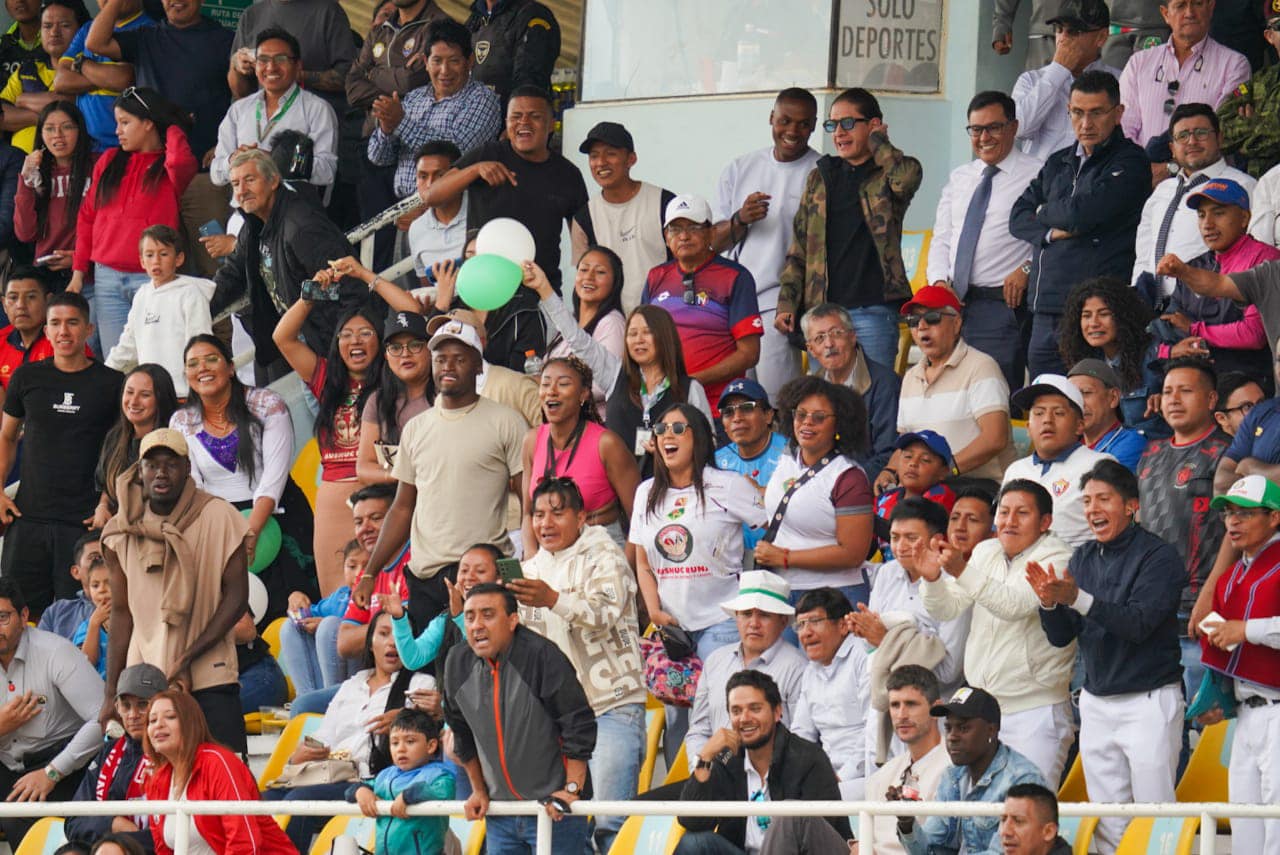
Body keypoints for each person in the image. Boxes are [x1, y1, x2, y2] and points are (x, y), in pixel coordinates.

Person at [1030, 459, 1186, 854]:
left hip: (1149, 700)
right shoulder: (1082, 558)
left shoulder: (1160, 557)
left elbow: (1138, 624)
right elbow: (1062, 636)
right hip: (1097, 701)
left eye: (1104, 499)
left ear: (1132, 506)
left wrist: (1076, 598)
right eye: (1086, 501)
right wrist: (1049, 604)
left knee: (1155, 815)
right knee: (1109, 819)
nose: (1093, 509)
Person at [355, 317, 525, 631]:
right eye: (440, 359)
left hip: (482, 574)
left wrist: (524, 568)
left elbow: (528, 499)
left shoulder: (506, 421)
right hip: (425, 577)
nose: (448, 366)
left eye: (459, 359)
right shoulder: (416, 428)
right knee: (432, 674)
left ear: (477, 366)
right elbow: (403, 507)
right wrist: (370, 572)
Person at [513, 477, 645, 853]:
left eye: (557, 512)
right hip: (558, 717)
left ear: (582, 516)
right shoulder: (529, 569)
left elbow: (603, 613)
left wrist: (552, 598)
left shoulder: (607, 555)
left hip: (612, 705)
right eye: (538, 514)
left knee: (610, 821)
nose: (545, 523)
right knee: (559, 821)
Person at [100, 427, 251, 752]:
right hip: (144, 685)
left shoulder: (220, 514)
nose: (161, 472)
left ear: (187, 468)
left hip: (210, 675)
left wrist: (188, 655)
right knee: (154, 791)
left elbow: (238, 598)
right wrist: (110, 692)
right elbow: (122, 612)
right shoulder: (120, 529)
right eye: (152, 465)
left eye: (171, 463)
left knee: (228, 783)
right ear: (139, 471)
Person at [919, 480, 1076, 783]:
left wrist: (961, 571)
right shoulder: (986, 551)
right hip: (983, 709)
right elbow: (947, 609)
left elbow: (1013, 604)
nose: (1009, 521)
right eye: (1003, 512)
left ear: (1045, 522)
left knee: (1030, 809)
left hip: (1036, 710)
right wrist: (933, 580)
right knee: (982, 815)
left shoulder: (1058, 557)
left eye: (1022, 513)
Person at [423, 85, 588, 364]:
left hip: (539, 296)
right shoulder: (489, 153)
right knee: (470, 373)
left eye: (534, 116)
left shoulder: (567, 174)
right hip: (482, 293)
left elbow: (583, 243)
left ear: (551, 125)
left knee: (530, 377)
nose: (523, 123)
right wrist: (474, 170)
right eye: (515, 116)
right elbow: (432, 195)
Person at [1009, 70, 1150, 378]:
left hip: (1095, 311)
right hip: (1045, 306)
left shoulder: (1131, 161)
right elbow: (1018, 216)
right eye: (1078, 113)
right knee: (1046, 402)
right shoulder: (1058, 161)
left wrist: (1044, 210)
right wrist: (1049, 232)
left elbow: (1081, 214)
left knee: (1091, 403)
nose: (1086, 124)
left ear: (1118, 113)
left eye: (1097, 113)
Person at [265, 609, 437, 851]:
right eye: (383, 634)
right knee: (263, 801)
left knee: (298, 802)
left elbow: (425, 735)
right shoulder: (351, 684)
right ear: (370, 644)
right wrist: (300, 756)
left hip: (371, 781)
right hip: (334, 774)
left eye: (400, 635)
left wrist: (404, 718)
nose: (392, 642)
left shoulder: (420, 684)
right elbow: (323, 738)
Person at [776, 87, 922, 371]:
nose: (839, 132)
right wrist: (787, 301)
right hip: (824, 315)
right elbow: (800, 247)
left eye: (848, 123)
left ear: (873, 124)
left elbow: (905, 180)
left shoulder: (890, 173)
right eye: (832, 124)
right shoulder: (821, 178)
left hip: (874, 310)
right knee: (827, 406)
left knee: (872, 401)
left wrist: (880, 142)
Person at [444, 583, 595, 853]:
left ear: (513, 620)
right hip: (500, 814)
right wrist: (479, 790)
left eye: (488, 615)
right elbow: (461, 732)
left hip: (554, 811)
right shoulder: (457, 662)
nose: (477, 625)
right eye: (469, 617)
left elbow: (577, 722)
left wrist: (571, 790)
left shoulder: (541, 655)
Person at [524, 262, 714, 474]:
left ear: (665, 337)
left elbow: (708, 442)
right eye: (632, 334)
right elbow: (577, 339)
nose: (638, 340)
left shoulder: (689, 388)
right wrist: (544, 289)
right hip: (617, 493)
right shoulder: (615, 375)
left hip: (672, 493)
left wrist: (671, 446)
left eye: (647, 332)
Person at [170, 334, 312, 613]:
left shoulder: (267, 404)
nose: (203, 368)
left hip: (277, 516)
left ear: (231, 366)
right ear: (186, 374)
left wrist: (251, 532)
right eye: (193, 364)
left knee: (298, 608)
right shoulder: (181, 421)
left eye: (212, 359)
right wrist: (225, 536)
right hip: (222, 526)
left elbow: (274, 477)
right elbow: (193, 485)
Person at [0, 292, 123, 614]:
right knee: (18, 614)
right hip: (29, 518)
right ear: (46, 330)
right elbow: (7, 436)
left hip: (83, 523)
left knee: (81, 615)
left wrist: (105, 502)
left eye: (72, 323)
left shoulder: (112, 383)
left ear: (89, 329)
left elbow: (120, 451)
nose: (63, 331)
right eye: (55, 323)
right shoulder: (27, 377)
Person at [209, 148, 367, 373]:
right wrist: (199, 309)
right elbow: (233, 272)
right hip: (300, 343)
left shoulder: (302, 226)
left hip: (329, 347)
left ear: (273, 181)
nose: (241, 191)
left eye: (250, 180)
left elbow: (347, 287)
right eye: (235, 184)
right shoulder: (253, 224)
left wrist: (346, 349)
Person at [67, 87, 196, 357]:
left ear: (148, 123)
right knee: (118, 360)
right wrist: (78, 273)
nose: (117, 131)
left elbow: (182, 161)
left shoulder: (169, 168)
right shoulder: (109, 160)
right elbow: (87, 218)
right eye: (117, 123)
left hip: (152, 276)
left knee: (156, 357)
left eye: (125, 122)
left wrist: (170, 125)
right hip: (106, 278)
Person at [633, 402, 767, 659]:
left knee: (719, 698)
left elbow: (776, 525)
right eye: (661, 429)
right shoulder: (645, 493)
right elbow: (642, 563)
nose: (667, 435)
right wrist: (653, 611)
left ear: (700, 437)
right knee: (676, 700)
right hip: (672, 626)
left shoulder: (728, 485)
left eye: (679, 428)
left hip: (723, 619)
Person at [712, 88, 821, 397]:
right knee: (737, 400)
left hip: (783, 304)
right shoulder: (740, 167)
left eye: (803, 124)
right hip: (736, 302)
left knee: (777, 399)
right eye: (785, 120)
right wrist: (740, 219)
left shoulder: (822, 171)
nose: (792, 131)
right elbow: (713, 243)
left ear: (813, 126)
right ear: (771, 118)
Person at [273, 301, 387, 594]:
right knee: (336, 592)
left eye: (365, 333)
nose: (355, 341)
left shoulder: (393, 381)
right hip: (334, 498)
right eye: (346, 335)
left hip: (380, 494)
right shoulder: (327, 380)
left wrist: (366, 277)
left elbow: (412, 317)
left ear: (380, 339)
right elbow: (282, 337)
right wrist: (308, 298)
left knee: (382, 589)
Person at [929, 90, 1039, 392]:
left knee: (993, 395)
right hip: (954, 306)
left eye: (994, 127)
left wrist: (1028, 269)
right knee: (951, 394)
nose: (984, 137)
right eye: (976, 129)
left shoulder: (1038, 174)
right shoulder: (961, 177)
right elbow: (942, 238)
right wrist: (939, 282)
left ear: (1013, 128)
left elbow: (1048, 238)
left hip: (1001, 307)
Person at [675, 669, 850, 855]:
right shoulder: (728, 760)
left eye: (755, 708)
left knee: (790, 814)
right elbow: (691, 820)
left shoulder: (808, 758)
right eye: (736, 711)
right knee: (694, 842)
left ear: (777, 712)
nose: (744, 718)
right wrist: (705, 756)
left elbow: (819, 836)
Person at [1139, 356, 1231, 703]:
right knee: (1160, 722)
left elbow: (1235, 535)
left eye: (1186, 391)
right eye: (1167, 392)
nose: (1174, 400)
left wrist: (1209, 594)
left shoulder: (1226, 454)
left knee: (1206, 716)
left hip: (1206, 607)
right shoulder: (1151, 452)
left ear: (1210, 400)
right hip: (1155, 611)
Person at [1198, 474, 1280, 855]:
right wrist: (1216, 699)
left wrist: (1245, 629)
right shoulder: (1230, 575)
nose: (1233, 521)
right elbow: (1226, 644)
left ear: (1274, 517)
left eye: (1245, 513)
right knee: (1245, 832)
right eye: (1229, 513)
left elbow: (1241, 632)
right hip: (1246, 714)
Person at [857, 498, 971, 767]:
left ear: (937, 539)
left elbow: (950, 670)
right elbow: (870, 648)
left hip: (932, 717)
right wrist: (869, 635)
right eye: (895, 537)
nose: (900, 546)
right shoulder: (886, 574)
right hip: (885, 706)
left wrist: (886, 641)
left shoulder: (955, 582)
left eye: (911, 537)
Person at [0, 576, 105, 844]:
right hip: (8, 764)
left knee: (17, 818)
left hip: (61, 763)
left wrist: (53, 771)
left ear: (24, 616)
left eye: (2, 617)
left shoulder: (56, 651)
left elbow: (103, 718)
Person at [756, 376, 875, 609]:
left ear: (839, 424)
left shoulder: (849, 477)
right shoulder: (787, 458)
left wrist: (785, 558)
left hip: (835, 595)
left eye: (819, 418)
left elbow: (853, 553)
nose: (807, 423)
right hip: (780, 589)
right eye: (801, 414)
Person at [345, 0, 449, 266]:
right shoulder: (382, 27)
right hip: (375, 140)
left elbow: (415, 81)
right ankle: (378, 305)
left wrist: (373, 72)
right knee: (375, 238)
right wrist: (395, 83)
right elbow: (353, 88)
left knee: (412, 239)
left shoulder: (439, 25)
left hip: (416, 149)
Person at [642, 193, 763, 418]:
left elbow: (749, 354)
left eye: (694, 227)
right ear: (666, 238)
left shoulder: (735, 276)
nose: (684, 236)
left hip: (719, 409)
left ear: (712, 232)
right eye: (675, 229)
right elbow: (641, 341)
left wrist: (692, 382)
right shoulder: (655, 277)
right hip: (664, 408)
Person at [885, 285, 1014, 488]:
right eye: (913, 321)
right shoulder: (910, 377)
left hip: (978, 484)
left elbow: (995, 438)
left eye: (933, 318)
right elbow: (905, 442)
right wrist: (890, 471)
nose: (922, 327)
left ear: (956, 324)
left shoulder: (981, 366)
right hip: (930, 484)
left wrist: (947, 469)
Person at [84, 0, 232, 172]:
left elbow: (242, 99)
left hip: (204, 170)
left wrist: (225, 146)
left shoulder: (225, 40)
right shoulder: (146, 36)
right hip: (151, 170)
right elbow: (95, 43)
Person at [143, 689, 297, 854]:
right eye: (152, 720)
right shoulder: (156, 780)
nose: (158, 724)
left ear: (191, 723)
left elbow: (245, 843)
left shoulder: (217, 762)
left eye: (170, 717)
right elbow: (163, 849)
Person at [896, 688, 1047, 855]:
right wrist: (907, 822)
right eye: (948, 728)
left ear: (991, 730)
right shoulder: (952, 776)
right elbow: (929, 850)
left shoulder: (1023, 779)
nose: (952, 737)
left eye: (963, 728)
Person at [1132, 103, 1255, 305]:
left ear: (1220, 138)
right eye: (1183, 136)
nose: (1192, 141)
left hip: (1209, 307)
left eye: (1201, 133)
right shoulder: (1162, 191)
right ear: (1172, 148)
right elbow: (1144, 253)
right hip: (1151, 305)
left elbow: (1255, 254)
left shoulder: (1244, 186)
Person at [366, 18, 501, 200]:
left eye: (454, 61)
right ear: (425, 62)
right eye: (437, 61)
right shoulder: (414, 98)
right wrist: (386, 129)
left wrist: (401, 122)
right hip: (403, 209)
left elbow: (457, 154)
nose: (444, 71)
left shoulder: (483, 99)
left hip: (452, 208)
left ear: (470, 61)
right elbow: (378, 157)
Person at [685, 571, 807, 771]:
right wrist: (701, 770)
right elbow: (698, 730)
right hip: (714, 775)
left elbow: (800, 738)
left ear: (783, 622)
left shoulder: (797, 668)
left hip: (770, 780)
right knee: (644, 802)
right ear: (737, 618)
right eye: (746, 614)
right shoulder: (716, 661)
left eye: (765, 615)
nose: (754, 623)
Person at [1158, 177, 1277, 383]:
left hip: (1249, 382)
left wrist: (1195, 330)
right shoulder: (1193, 266)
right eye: (1201, 215)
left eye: (1219, 213)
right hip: (1198, 381)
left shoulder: (1265, 260)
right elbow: (1169, 325)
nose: (1207, 224)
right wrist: (1172, 350)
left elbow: (1254, 334)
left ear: (1244, 218)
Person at [520, 355, 638, 554]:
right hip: (548, 555)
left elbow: (638, 518)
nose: (552, 391)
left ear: (583, 394)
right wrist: (532, 562)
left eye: (563, 384)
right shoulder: (532, 440)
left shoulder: (607, 444)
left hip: (600, 553)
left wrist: (624, 569)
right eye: (545, 383)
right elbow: (527, 514)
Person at [212, 28, 338, 191]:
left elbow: (327, 171)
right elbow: (216, 173)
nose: (271, 67)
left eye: (281, 59)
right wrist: (232, 159)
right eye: (263, 59)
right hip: (245, 208)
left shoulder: (318, 109)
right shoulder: (238, 110)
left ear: (298, 65)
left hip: (293, 210)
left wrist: (277, 161)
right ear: (255, 65)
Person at [573, 120, 675, 313]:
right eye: (594, 156)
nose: (601, 162)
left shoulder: (664, 202)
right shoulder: (584, 217)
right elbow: (583, 283)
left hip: (662, 320)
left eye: (610, 154)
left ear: (631, 159)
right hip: (611, 325)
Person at [1119, 0, 1250, 148]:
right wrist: (1142, 166)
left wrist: (1169, 167)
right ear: (1166, 14)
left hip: (1203, 168)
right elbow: (1124, 128)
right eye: (1180, 6)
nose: (1189, 13)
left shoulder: (1234, 65)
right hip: (1141, 168)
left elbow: (1221, 130)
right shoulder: (1139, 63)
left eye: (1198, 4)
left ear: (1211, 8)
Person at [1005, 375, 1115, 548]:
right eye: (1039, 413)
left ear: (1079, 425)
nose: (1047, 420)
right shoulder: (1015, 470)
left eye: (1058, 413)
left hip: (1075, 570)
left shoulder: (1099, 465)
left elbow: (1117, 532)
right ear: (1028, 427)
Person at [64, 663, 164, 853]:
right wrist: (113, 824)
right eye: (126, 706)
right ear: (116, 707)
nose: (133, 715)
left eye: (143, 704)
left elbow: (172, 833)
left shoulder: (173, 753)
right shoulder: (107, 753)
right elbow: (73, 821)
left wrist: (121, 842)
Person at [104, 226, 214, 396]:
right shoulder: (142, 295)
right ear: (141, 261)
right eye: (149, 255)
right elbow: (128, 345)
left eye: (163, 254)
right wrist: (102, 374)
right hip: (151, 394)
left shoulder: (191, 294)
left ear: (179, 259)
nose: (156, 261)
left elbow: (199, 343)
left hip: (184, 393)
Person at [855, 666, 950, 855]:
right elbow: (864, 842)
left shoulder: (954, 770)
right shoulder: (882, 776)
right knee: (797, 821)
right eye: (895, 705)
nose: (901, 715)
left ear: (936, 708)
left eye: (911, 704)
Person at [1012, 0, 1121, 160]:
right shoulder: (1030, 79)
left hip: (1098, 179)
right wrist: (1058, 71)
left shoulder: (1120, 81)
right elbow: (1019, 129)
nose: (1062, 38)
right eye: (1059, 30)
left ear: (1101, 37)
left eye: (1074, 31)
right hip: (1041, 180)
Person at [801, 302, 899, 479]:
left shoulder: (884, 385)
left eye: (836, 333)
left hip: (863, 485)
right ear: (811, 350)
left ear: (853, 336)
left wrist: (841, 484)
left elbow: (888, 455)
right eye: (819, 338)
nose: (829, 344)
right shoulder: (811, 391)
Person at [790, 587, 870, 799]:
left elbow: (873, 730)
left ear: (843, 625)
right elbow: (801, 735)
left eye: (815, 621)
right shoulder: (810, 671)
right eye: (800, 625)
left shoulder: (863, 655)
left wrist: (841, 777)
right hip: (827, 776)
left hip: (866, 776)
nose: (806, 633)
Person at [1058, 277, 1162, 435]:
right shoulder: (1086, 362)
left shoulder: (1153, 355)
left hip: (1154, 453)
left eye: (1104, 314)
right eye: (1086, 316)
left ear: (1123, 316)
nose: (1093, 323)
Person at [348, 709, 455, 855]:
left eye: (410, 741)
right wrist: (359, 790)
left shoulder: (439, 774)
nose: (401, 749)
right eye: (394, 743)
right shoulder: (385, 775)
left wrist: (408, 796)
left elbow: (444, 791)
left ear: (430, 746)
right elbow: (355, 790)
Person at [53, 0, 154, 153]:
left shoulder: (151, 29)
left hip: (128, 149)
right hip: (87, 147)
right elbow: (61, 81)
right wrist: (106, 77)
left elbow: (123, 79)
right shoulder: (88, 28)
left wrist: (82, 65)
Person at [383, 542, 498, 674]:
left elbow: (487, 656)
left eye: (480, 571)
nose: (469, 577)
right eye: (464, 570)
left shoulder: (506, 614)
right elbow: (414, 658)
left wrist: (460, 616)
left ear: (499, 578)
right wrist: (399, 618)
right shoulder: (445, 619)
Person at [13, 100, 93, 287]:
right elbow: (25, 234)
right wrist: (25, 181)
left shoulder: (98, 167)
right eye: (49, 129)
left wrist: (80, 257)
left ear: (80, 131)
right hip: (47, 277)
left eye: (67, 127)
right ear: (40, 135)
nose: (58, 135)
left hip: (91, 274)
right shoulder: (37, 173)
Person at [540, 246, 626, 418]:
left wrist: (562, 390)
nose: (589, 277)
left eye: (600, 272)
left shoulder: (612, 322)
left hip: (593, 425)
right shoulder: (570, 321)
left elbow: (605, 385)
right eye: (584, 269)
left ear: (615, 282)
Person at [90, 365, 179, 530]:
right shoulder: (115, 437)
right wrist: (102, 506)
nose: (133, 401)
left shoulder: (172, 440)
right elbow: (105, 485)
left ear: (161, 399)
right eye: (129, 392)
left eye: (145, 395)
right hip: (119, 530)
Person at [226, 0, 357, 110]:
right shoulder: (251, 15)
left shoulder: (328, 12)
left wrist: (295, 75)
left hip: (314, 127)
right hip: (260, 127)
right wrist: (236, 67)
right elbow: (240, 94)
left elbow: (350, 78)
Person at [356, 311, 432, 486]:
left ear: (430, 348)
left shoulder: (447, 394)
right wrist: (404, 476)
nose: (405, 354)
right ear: (386, 355)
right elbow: (364, 468)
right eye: (396, 348)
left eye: (414, 345)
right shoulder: (378, 401)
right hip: (398, 501)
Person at [279, 538, 363, 696]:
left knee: (330, 625)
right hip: (328, 675)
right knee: (289, 627)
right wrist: (296, 599)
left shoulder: (378, 597)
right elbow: (309, 614)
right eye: (352, 567)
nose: (358, 573)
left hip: (356, 677)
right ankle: (307, 698)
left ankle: (331, 699)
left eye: (366, 567)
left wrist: (325, 625)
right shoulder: (341, 596)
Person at [0, 0, 85, 154]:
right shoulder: (27, 69)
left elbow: (68, 103)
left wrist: (23, 100)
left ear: (82, 30)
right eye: (47, 26)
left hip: (71, 167)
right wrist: (42, 118)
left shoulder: (89, 68)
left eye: (65, 25)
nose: (54, 32)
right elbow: (2, 115)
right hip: (22, 169)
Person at [714, 378, 788, 548]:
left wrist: (762, 494)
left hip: (784, 555)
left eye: (747, 408)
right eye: (728, 412)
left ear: (768, 415)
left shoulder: (790, 455)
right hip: (733, 561)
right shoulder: (716, 462)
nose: (737, 418)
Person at [874, 430, 957, 562]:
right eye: (907, 456)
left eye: (925, 460)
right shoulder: (885, 498)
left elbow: (913, 536)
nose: (913, 463)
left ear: (943, 472)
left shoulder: (941, 496)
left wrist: (868, 519)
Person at [462, 0, 559, 104]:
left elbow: (529, 83)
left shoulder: (533, 14)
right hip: (475, 116)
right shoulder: (474, 19)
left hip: (513, 116)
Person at [1067, 359, 1150, 472]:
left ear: (1113, 397)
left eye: (1086, 393)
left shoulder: (1131, 442)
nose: (1079, 403)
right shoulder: (1070, 448)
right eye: (1072, 396)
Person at [406, 141, 468, 281]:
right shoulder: (417, 228)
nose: (429, 184)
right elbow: (428, 288)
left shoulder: (482, 211)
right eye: (423, 176)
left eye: (440, 175)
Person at [36, 531, 101, 641]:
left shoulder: (129, 609)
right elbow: (39, 653)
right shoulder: (57, 612)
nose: (103, 563)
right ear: (76, 572)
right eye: (95, 558)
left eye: (109, 556)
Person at [0, 267, 56, 394]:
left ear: (48, 301)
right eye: (13, 298)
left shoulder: (63, 340)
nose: (20, 305)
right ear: (4, 304)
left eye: (31, 297)